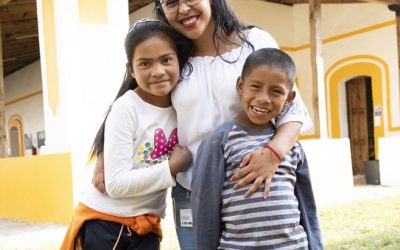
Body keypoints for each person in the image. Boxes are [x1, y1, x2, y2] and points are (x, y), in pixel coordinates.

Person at [93, 0, 315, 249]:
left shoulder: (254, 41)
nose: (184, 9)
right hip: (191, 192)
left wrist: (274, 154)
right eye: (172, 2)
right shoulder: (172, 56)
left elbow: (293, 109)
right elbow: (136, 99)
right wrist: (105, 150)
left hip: (249, 185)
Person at [61, 19, 193, 250]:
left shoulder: (182, 103)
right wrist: (171, 167)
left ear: (179, 60)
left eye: (166, 60)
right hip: (107, 222)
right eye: (145, 64)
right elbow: (116, 185)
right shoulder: (127, 108)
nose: (158, 71)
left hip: (146, 223)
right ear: (131, 69)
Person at [191, 48, 323, 249]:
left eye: (276, 91)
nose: (263, 98)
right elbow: (204, 209)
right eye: (255, 86)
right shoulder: (219, 141)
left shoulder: (291, 145)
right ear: (240, 86)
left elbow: (307, 205)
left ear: (289, 98)